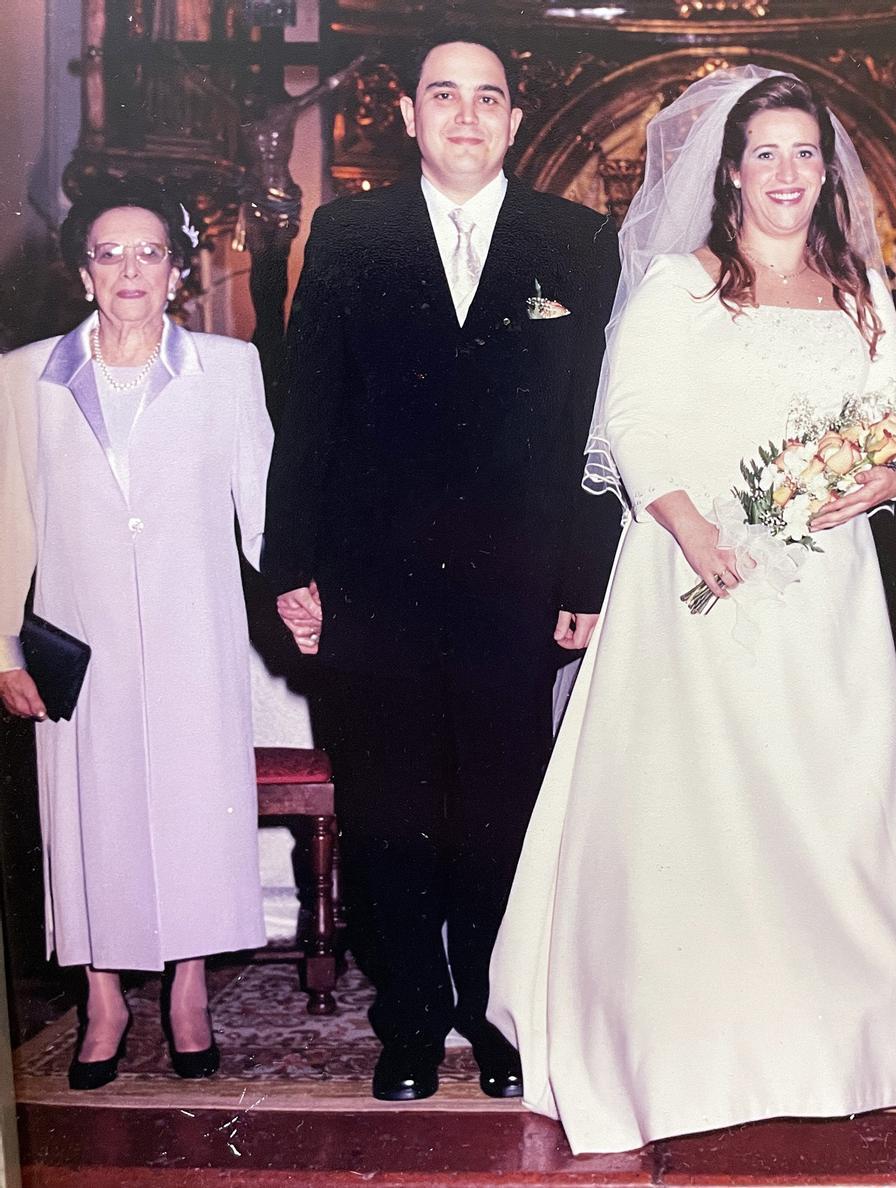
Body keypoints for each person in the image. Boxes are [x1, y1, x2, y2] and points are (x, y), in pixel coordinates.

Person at [486, 68, 896, 1156]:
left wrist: (882, 480)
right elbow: (630, 419)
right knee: (702, 813)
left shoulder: (857, 292)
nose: (788, 174)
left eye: (807, 154)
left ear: (826, 174)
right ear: (732, 173)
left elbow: (895, 430)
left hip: (828, 590)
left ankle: (841, 1050)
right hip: (697, 583)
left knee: (823, 804)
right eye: (767, 155)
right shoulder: (681, 281)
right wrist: (696, 531)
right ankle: (690, 1054)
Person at [262, 30, 621, 1102]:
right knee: (389, 812)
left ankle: (494, 1013)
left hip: (517, 588)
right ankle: (410, 1020)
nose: (467, 115)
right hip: (375, 585)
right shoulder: (349, 233)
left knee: (501, 813)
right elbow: (309, 413)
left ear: (515, 121)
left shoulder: (577, 240)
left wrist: (584, 578)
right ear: (408, 116)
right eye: (443, 95)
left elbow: (593, 428)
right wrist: (292, 566)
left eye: (489, 98)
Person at [0, 180, 272, 1090]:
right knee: (89, 820)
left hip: (198, 636)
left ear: (177, 271)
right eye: (110, 253)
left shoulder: (229, 371)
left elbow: (264, 515)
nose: (129, 270)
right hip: (81, 648)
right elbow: (9, 530)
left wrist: (304, 596)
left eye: (148, 253)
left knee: (195, 811)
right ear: (84, 272)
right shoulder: (26, 377)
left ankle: (188, 992)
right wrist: (1, 650)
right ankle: (104, 998)